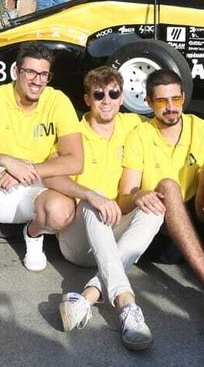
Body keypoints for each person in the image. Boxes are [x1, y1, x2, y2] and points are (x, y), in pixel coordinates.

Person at [119, 68, 204, 337]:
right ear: (148, 102)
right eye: (161, 101)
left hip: (201, 218)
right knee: (168, 186)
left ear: (184, 97)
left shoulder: (201, 127)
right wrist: (138, 195)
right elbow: (125, 198)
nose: (170, 107)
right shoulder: (139, 135)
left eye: (176, 99)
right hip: (165, 232)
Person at [0, 43, 83, 291]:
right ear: (16, 71)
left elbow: (75, 160)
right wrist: (6, 161)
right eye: (30, 72)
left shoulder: (57, 100)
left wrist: (26, 170)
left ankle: (33, 234)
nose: (37, 81)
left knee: (61, 212)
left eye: (44, 74)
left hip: (37, 188)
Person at [45, 67, 159, 351]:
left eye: (113, 93)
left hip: (115, 231)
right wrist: (91, 196)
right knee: (92, 203)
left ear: (122, 98)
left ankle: (89, 295)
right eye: (98, 94)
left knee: (155, 207)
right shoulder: (74, 133)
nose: (106, 100)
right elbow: (49, 174)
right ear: (87, 99)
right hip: (79, 238)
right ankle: (126, 305)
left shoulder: (134, 126)